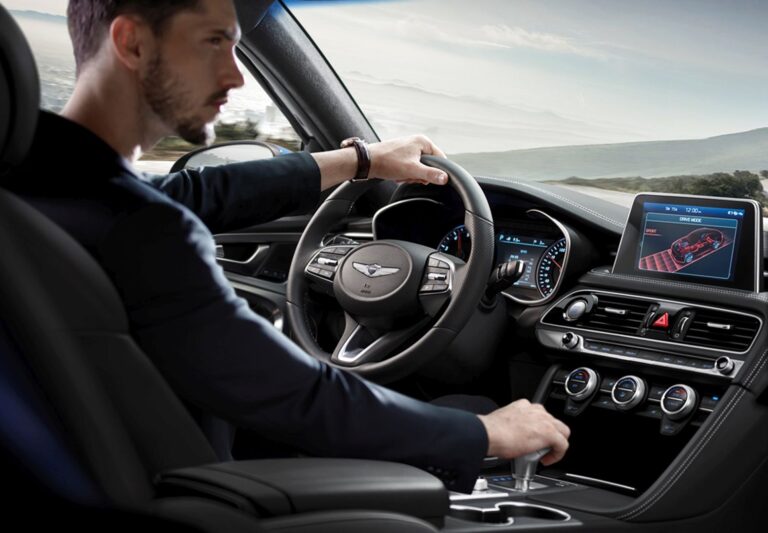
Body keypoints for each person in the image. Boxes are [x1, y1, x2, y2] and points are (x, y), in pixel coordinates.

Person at [4, 0, 570, 493]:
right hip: (206, 498)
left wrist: (364, 160)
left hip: (94, 462)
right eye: (214, 42)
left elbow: (195, 192)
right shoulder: (144, 230)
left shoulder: (38, 184)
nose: (235, 76)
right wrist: (482, 434)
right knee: (467, 414)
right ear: (132, 42)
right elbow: (296, 397)